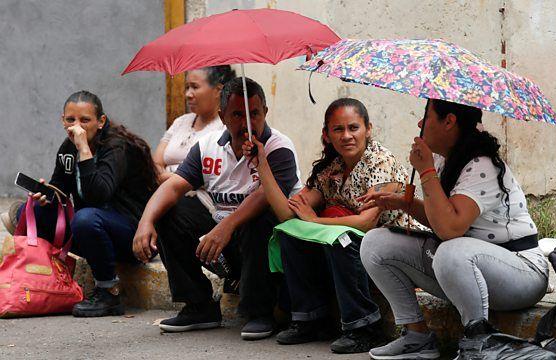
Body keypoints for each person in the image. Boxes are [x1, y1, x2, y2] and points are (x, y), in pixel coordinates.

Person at [358, 99, 549, 360]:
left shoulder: (482, 165)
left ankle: (479, 344)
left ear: (449, 122)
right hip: (467, 265)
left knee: (450, 251)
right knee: (375, 243)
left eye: (426, 118)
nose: (419, 124)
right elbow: (441, 220)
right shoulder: (442, 159)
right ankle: (417, 338)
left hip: (521, 273)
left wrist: (425, 171)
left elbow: (450, 229)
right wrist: (407, 203)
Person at [242, 98, 420, 354]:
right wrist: (262, 164)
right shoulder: (331, 169)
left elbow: (366, 223)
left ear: (368, 129)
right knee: (292, 234)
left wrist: (315, 220)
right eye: (338, 129)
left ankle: (363, 327)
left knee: (342, 238)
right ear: (327, 134)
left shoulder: (381, 161)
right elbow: (287, 215)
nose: (346, 136)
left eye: (353, 128)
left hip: (393, 249)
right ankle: (310, 319)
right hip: (356, 255)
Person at [132, 77, 302, 340]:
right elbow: (174, 186)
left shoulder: (279, 148)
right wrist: (146, 221)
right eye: (237, 115)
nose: (247, 123)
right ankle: (199, 306)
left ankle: (260, 312)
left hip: (269, 251)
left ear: (265, 113)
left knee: (258, 219)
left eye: (254, 113)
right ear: (222, 116)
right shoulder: (207, 146)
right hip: (224, 243)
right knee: (171, 212)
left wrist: (226, 226)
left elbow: (262, 198)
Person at [2, 90, 158, 317]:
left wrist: (84, 150)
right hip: (92, 229)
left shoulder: (117, 148)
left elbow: (98, 195)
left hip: (134, 238)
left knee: (85, 218)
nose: (77, 126)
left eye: (85, 120)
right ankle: (48, 276)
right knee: (37, 210)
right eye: (70, 120)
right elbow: (60, 190)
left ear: (101, 121)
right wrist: (47, 196)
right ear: (62, 120)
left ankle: (108, 292)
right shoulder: (67, 148)